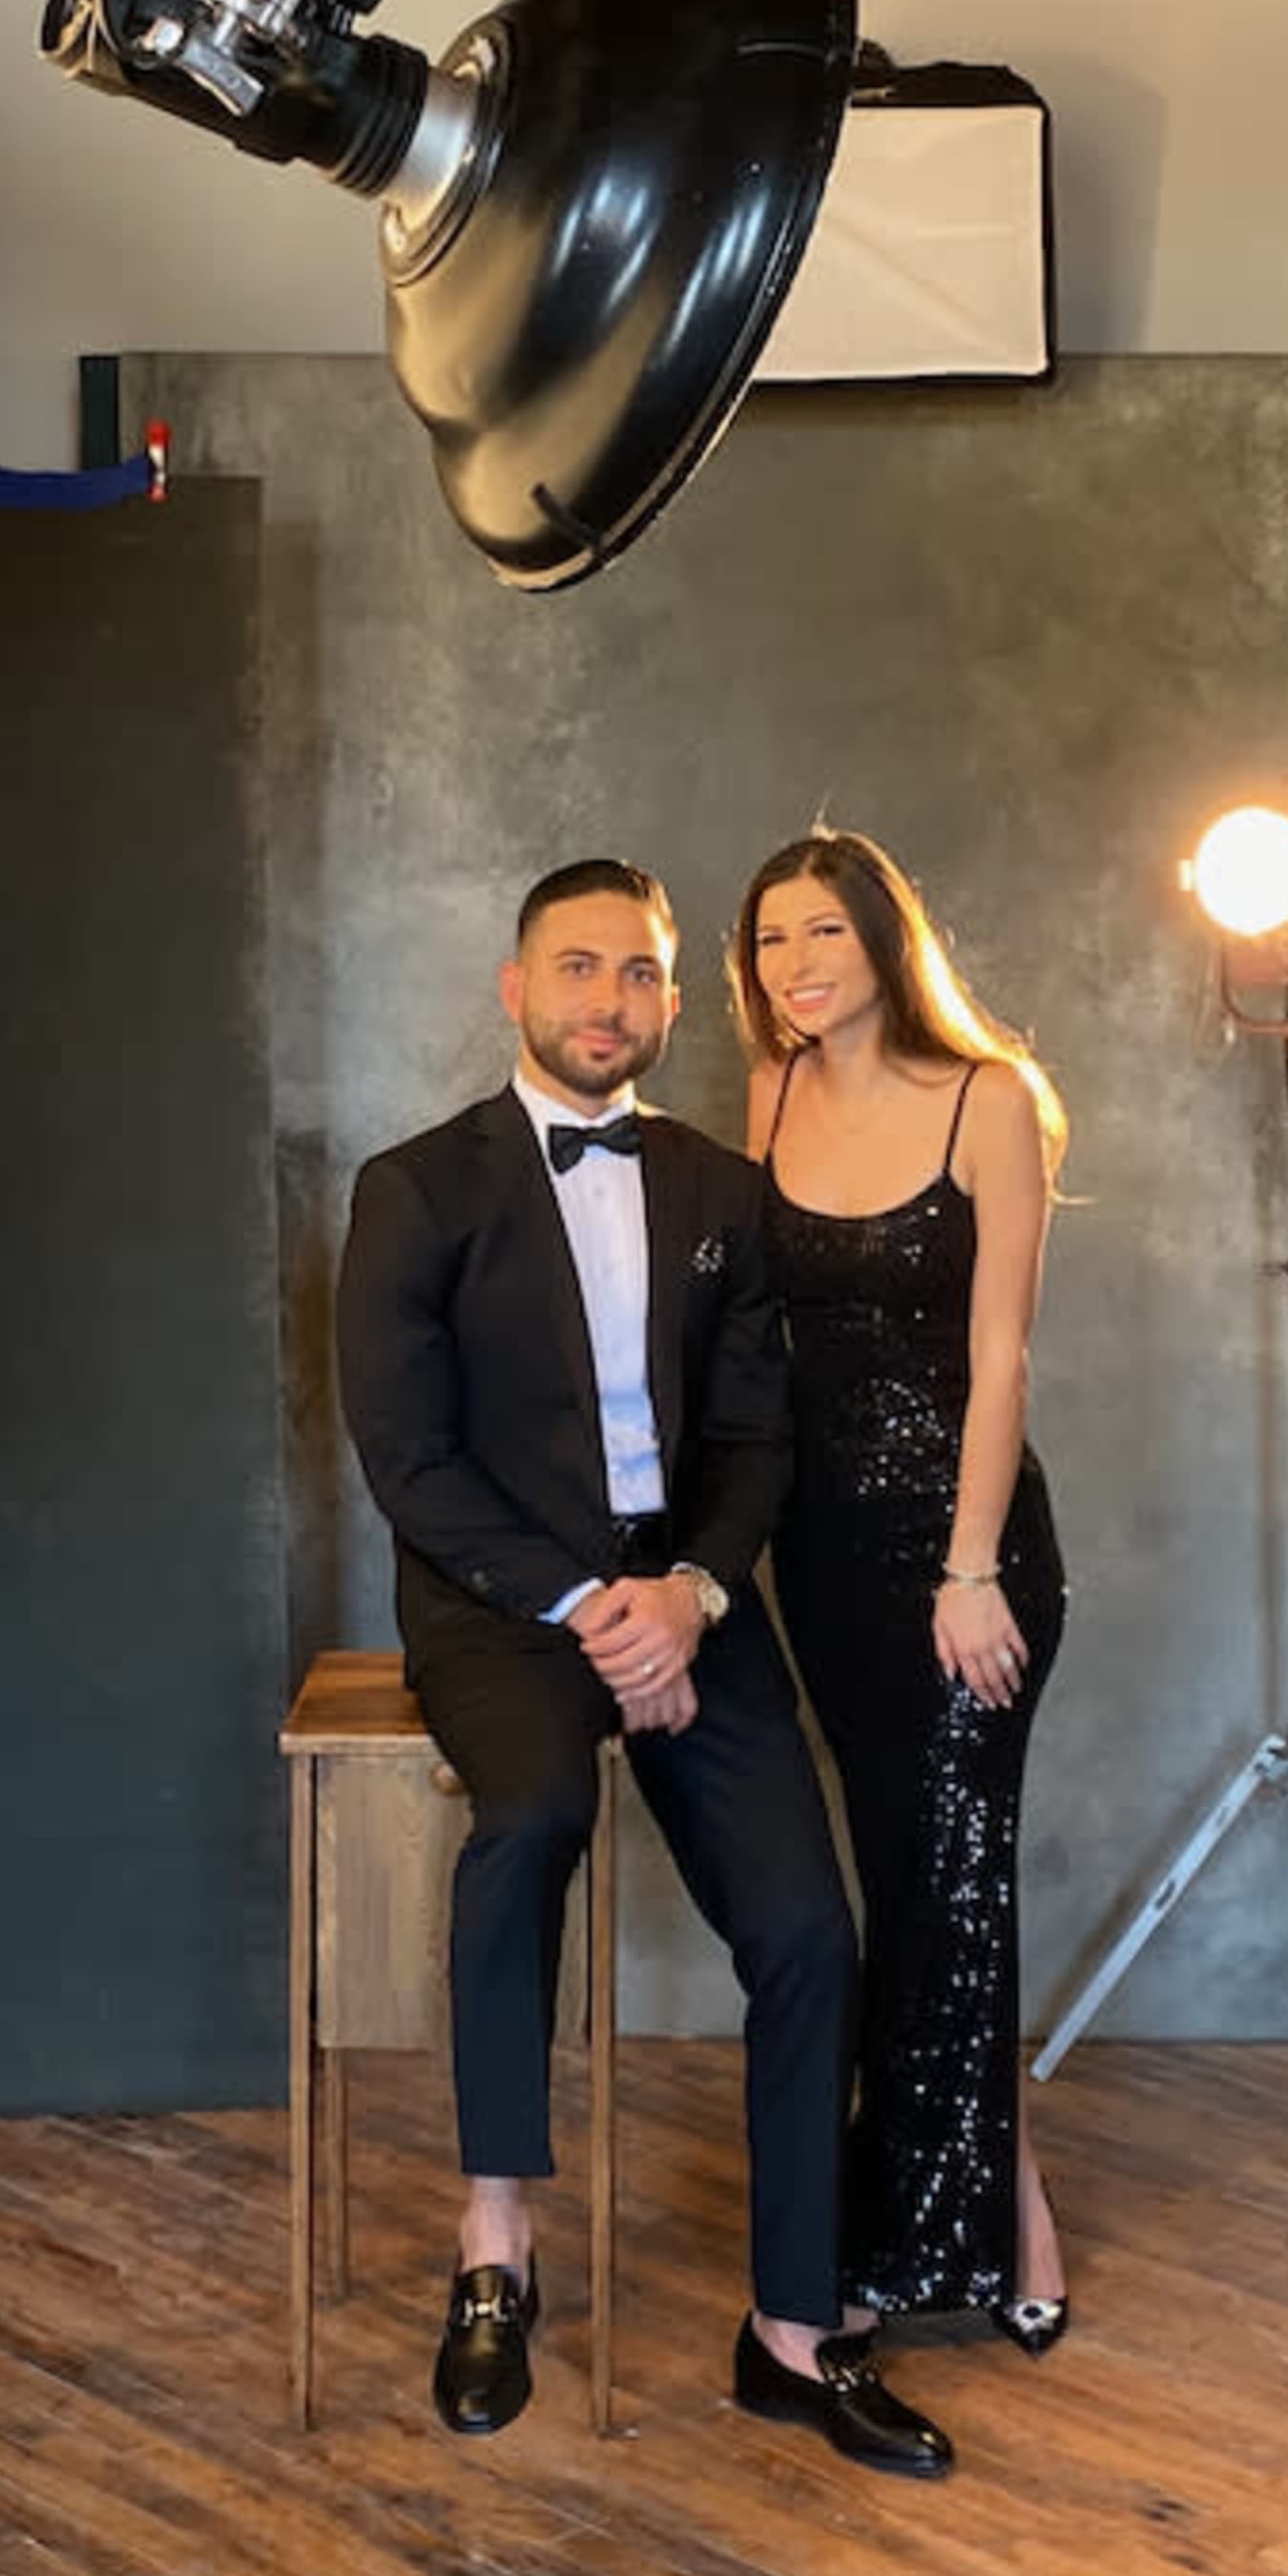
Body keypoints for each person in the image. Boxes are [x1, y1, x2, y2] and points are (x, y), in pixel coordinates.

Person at [336, 861, 953, 2478]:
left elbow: (760, 1433)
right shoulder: (414, 1188)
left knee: (813, 1930)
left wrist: (683, 1591)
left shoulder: (713, 1188)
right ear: (515, 987)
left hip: (684, 1601)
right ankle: (495, 2247)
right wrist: (591, 1610)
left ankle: (795, 2331)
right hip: (501, 1609)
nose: (611, 1001)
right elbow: (407, 1460)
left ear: (675, 1003)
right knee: (529, 1818)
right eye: (579, 968)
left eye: (643, 977)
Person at [736, 828, 1070, 2353]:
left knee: (955, 1884)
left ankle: (909, 2245)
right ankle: (1013, 2204)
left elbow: (1001, 1357)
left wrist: (969, 1567)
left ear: (884, 937)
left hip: (969, 1562)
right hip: (827, 1566)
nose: (796, 966)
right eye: (769, 943)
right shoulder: (773, 1092)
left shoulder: (989, 1097)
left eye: (821, 933)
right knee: (914, 1887)